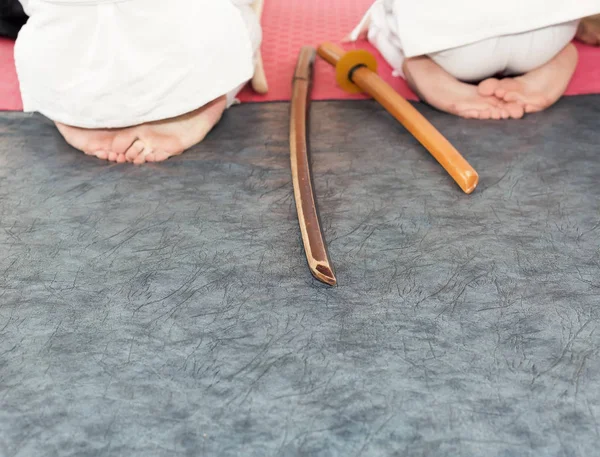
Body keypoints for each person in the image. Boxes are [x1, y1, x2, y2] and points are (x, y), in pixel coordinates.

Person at [13, 0, 267, 164]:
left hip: (62, 74)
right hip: (189, 64)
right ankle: (198, 103)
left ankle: (77, 113)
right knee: (242, 22)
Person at [349, 1, 600, 120]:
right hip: (550, 37)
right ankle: (561, 53)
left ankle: (415, 61)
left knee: (384, 19)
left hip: (449, 42)